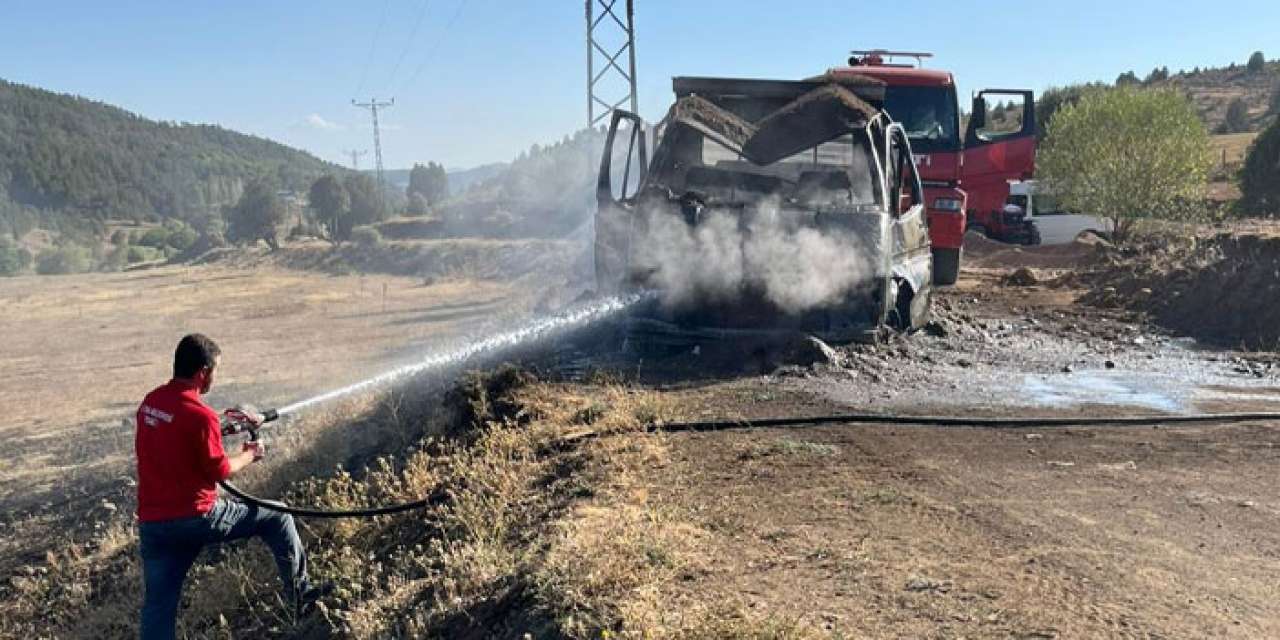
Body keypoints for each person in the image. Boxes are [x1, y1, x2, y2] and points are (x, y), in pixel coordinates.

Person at [135, 333, 326, 640]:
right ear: (203, 373)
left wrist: (222, 426)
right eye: (214, 371)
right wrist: (251, 453)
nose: (214, 377)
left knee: (158, 607)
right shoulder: (201, 417)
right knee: (278, 516)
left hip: (154, 525)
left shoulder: (151, 403)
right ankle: (301, 597)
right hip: (197, 518)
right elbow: (220, 470)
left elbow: (178, 440)